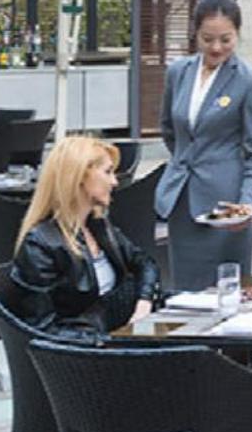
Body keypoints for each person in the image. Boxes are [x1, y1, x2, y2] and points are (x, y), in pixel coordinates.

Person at [156, 0, 252, 290]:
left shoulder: (248, 81)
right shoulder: (178, 72)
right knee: (186, 292)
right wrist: (185, 159)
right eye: (208, 39)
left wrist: (248, 205)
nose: (216, 48)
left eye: (225, 39)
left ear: (237, 34)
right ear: (195, 34)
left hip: (225, 208)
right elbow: (169, 129)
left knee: (226, 291)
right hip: (182, 201)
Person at [11, 134, 160, 341]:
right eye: (107, 172)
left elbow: (144, 262)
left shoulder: (98, 226)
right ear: (79, 176)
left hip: (117, 333)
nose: (114, 182)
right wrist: (107, 342)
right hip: (86, 350)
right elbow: (43, 329)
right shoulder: (40, 244)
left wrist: (144, 303)